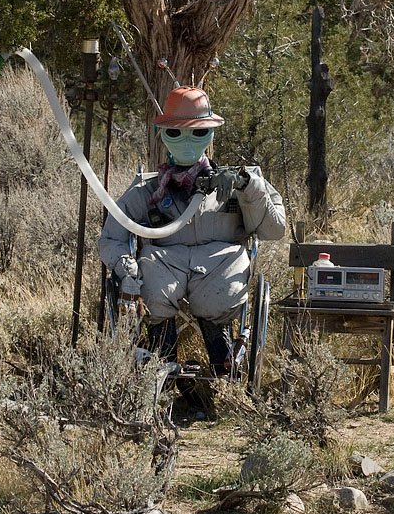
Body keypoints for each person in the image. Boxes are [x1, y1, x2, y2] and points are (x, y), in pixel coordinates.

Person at [98, 85, 286, 376]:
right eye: (176, 133)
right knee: (154, 291)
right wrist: (126, 267)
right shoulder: (147, 190)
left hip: (222, 261)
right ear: (162, 134)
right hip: (163, 262)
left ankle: (223, 370)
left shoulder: (239, 181)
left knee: (216, 296)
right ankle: (161, 370)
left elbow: (274, 229)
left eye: (198, 132)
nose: (187, 141)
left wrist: (247, 185)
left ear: (211, 133)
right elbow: (112, 236)